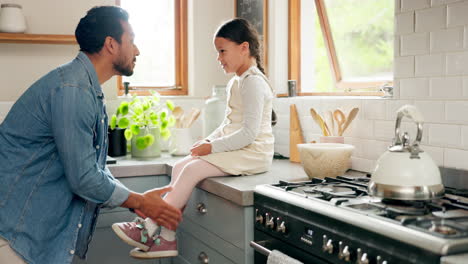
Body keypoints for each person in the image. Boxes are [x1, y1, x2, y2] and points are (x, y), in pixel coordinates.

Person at [0, 6, 182, 264]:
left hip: (26, 233)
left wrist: (136, 203)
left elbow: (93, 168)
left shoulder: (86, 89)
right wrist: (139, 200)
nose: (137, 50)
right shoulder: (72, 89)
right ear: (111, 44)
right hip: (14, 235)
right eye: (131, 40)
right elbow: (83, 178)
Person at [112, 18, 275, 259]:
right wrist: (206, 141)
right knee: (181, 165)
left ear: (244, 48)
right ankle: (166, 239)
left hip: (254, 153)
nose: (219, 58)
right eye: (217, 52)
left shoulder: (253, 83)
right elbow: (229, 124)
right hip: (242, 150)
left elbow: (249, 134)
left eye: (222, 51)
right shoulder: (237, 82)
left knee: (191, 170)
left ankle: (147, 227)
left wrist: (212, 147)